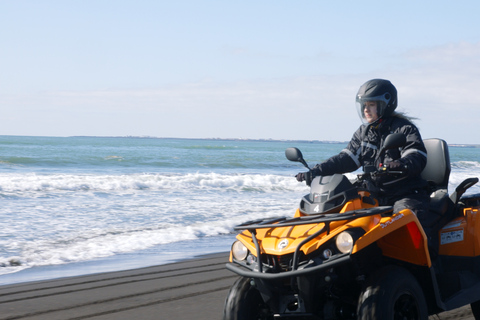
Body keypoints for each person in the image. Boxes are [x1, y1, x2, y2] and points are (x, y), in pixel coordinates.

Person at [296, 79, 431, 235]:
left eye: (371, 105)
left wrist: (399, 164)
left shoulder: (404, 129)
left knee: (404, 224)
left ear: (386, 104)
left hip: (404, 193)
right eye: (364, 105)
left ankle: (429, 258)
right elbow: (345, 159)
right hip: (374, 193)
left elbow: (416, 155)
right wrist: (316, 171)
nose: (366, 110)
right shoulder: (364, 132)